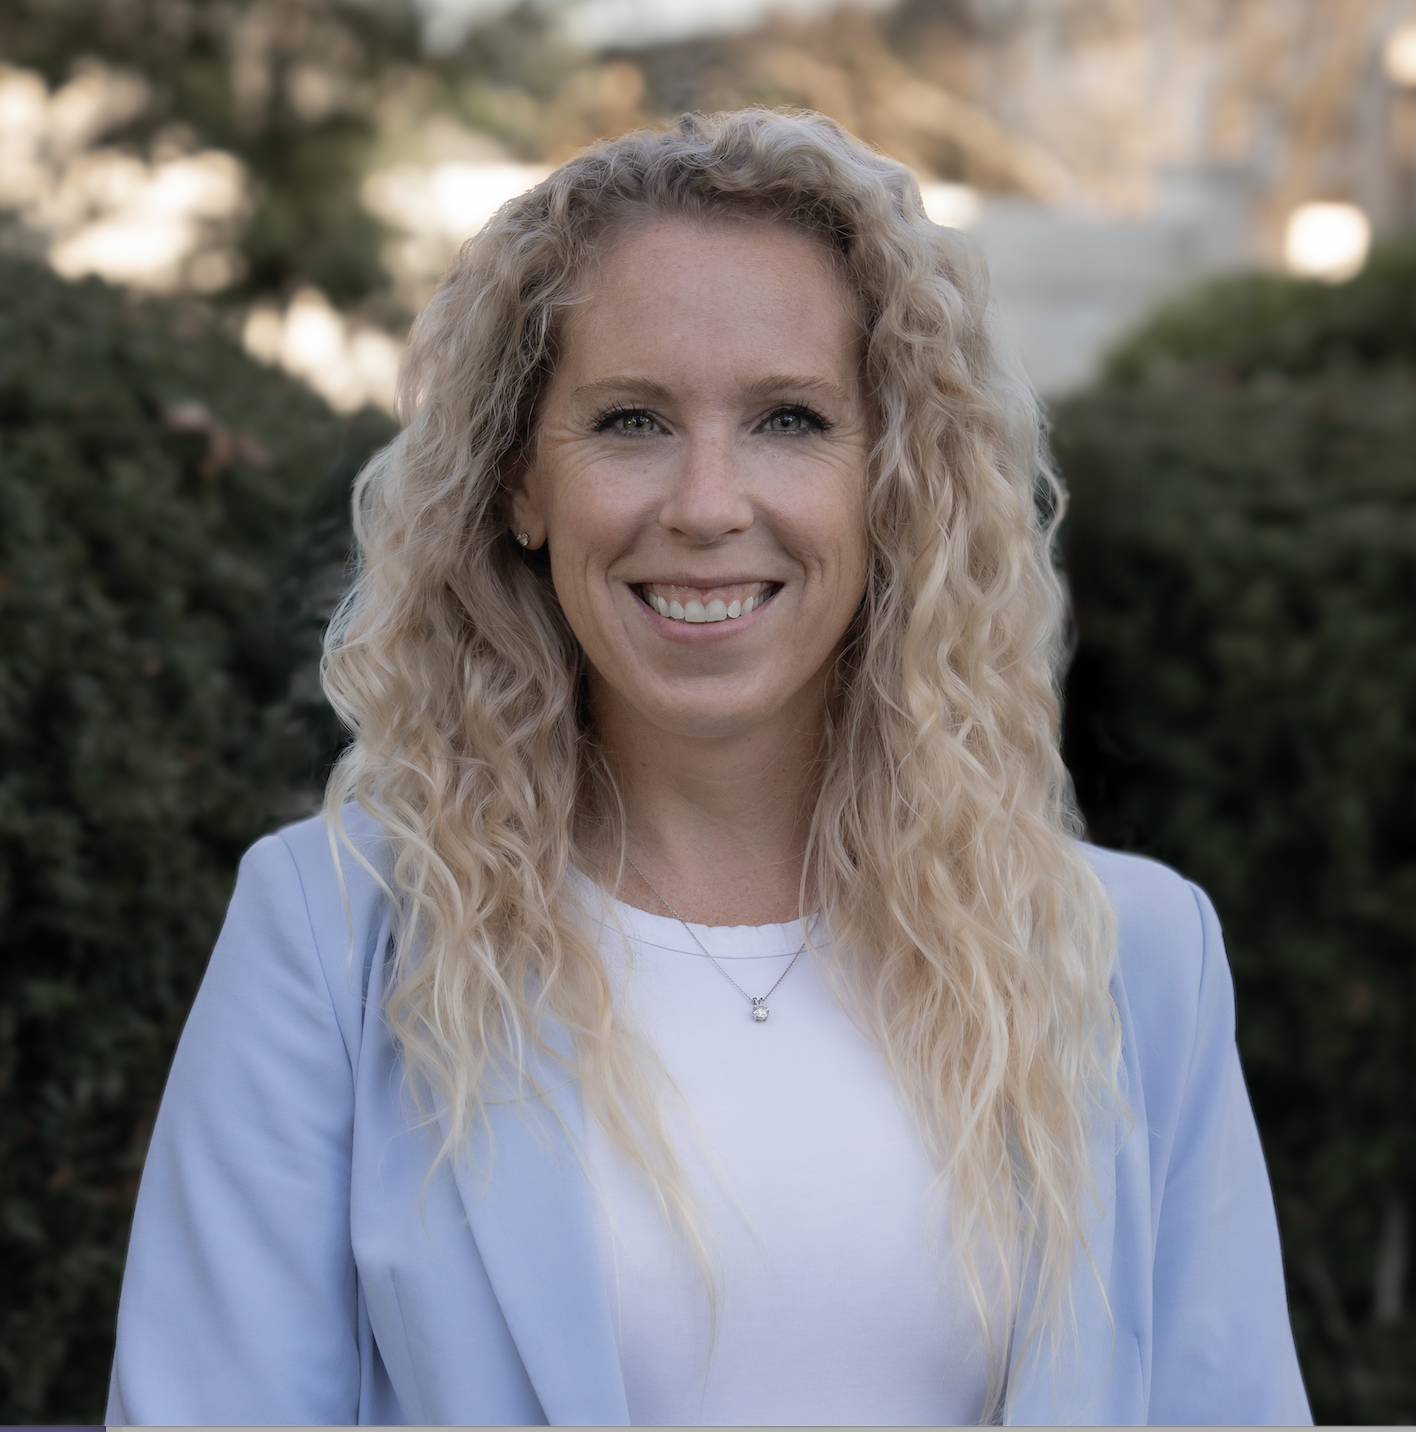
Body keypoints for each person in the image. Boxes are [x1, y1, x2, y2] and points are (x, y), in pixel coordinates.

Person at [106, 108, 1311, 1426]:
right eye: (631, 421)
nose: (706, 505)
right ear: (519, 483)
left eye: (790, 419)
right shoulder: (338, 940)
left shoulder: (1128, 960)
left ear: (894, 480)